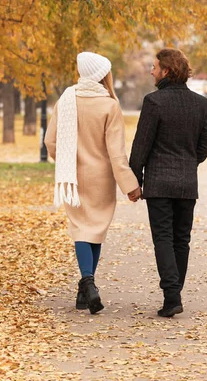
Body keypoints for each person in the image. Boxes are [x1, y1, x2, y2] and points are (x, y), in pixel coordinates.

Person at [44, 52, 141, 314]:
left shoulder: (65, 100)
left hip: (72, 177)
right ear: (103, 75)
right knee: (95, 230)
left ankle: (85, 288)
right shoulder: (109, 105)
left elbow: (50, 142)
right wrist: (130, 186)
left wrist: (64, 159)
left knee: (81, 229)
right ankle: (88, 285)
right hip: (101, 178)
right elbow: (117, 153)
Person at [129, 48, 207, 318]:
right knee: (181, 240)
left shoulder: (154, 102)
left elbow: (141, 146)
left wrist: (136, 179)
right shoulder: (200, 104)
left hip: (159, 184)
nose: (151, 71)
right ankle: (174, 294)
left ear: (166, 70)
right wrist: (187, 164)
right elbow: (204, 147)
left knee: (163, 238)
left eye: (154, 67)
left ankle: (172, 296)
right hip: (187, 184)